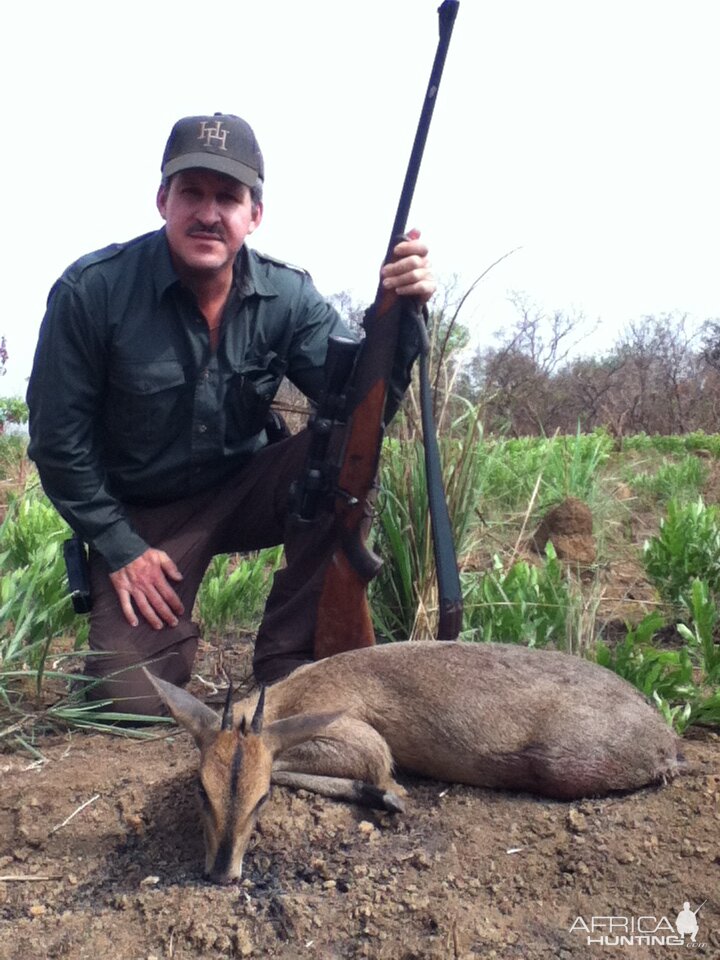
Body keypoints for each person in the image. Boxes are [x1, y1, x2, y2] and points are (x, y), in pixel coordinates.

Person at [27, 113, 436, 715]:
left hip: (248, 487)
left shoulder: (288, 295)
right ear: (163, 199)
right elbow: (59, 444)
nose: (209, 213)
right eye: (192, 192)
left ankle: (288, 662)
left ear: (255, 214)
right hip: (145, 518)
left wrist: (400, 318)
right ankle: (161, 648)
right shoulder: (93, 291)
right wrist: (118, 547)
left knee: (345, 452)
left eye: (228, 197)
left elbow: (361, 409)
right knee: (128, 705)